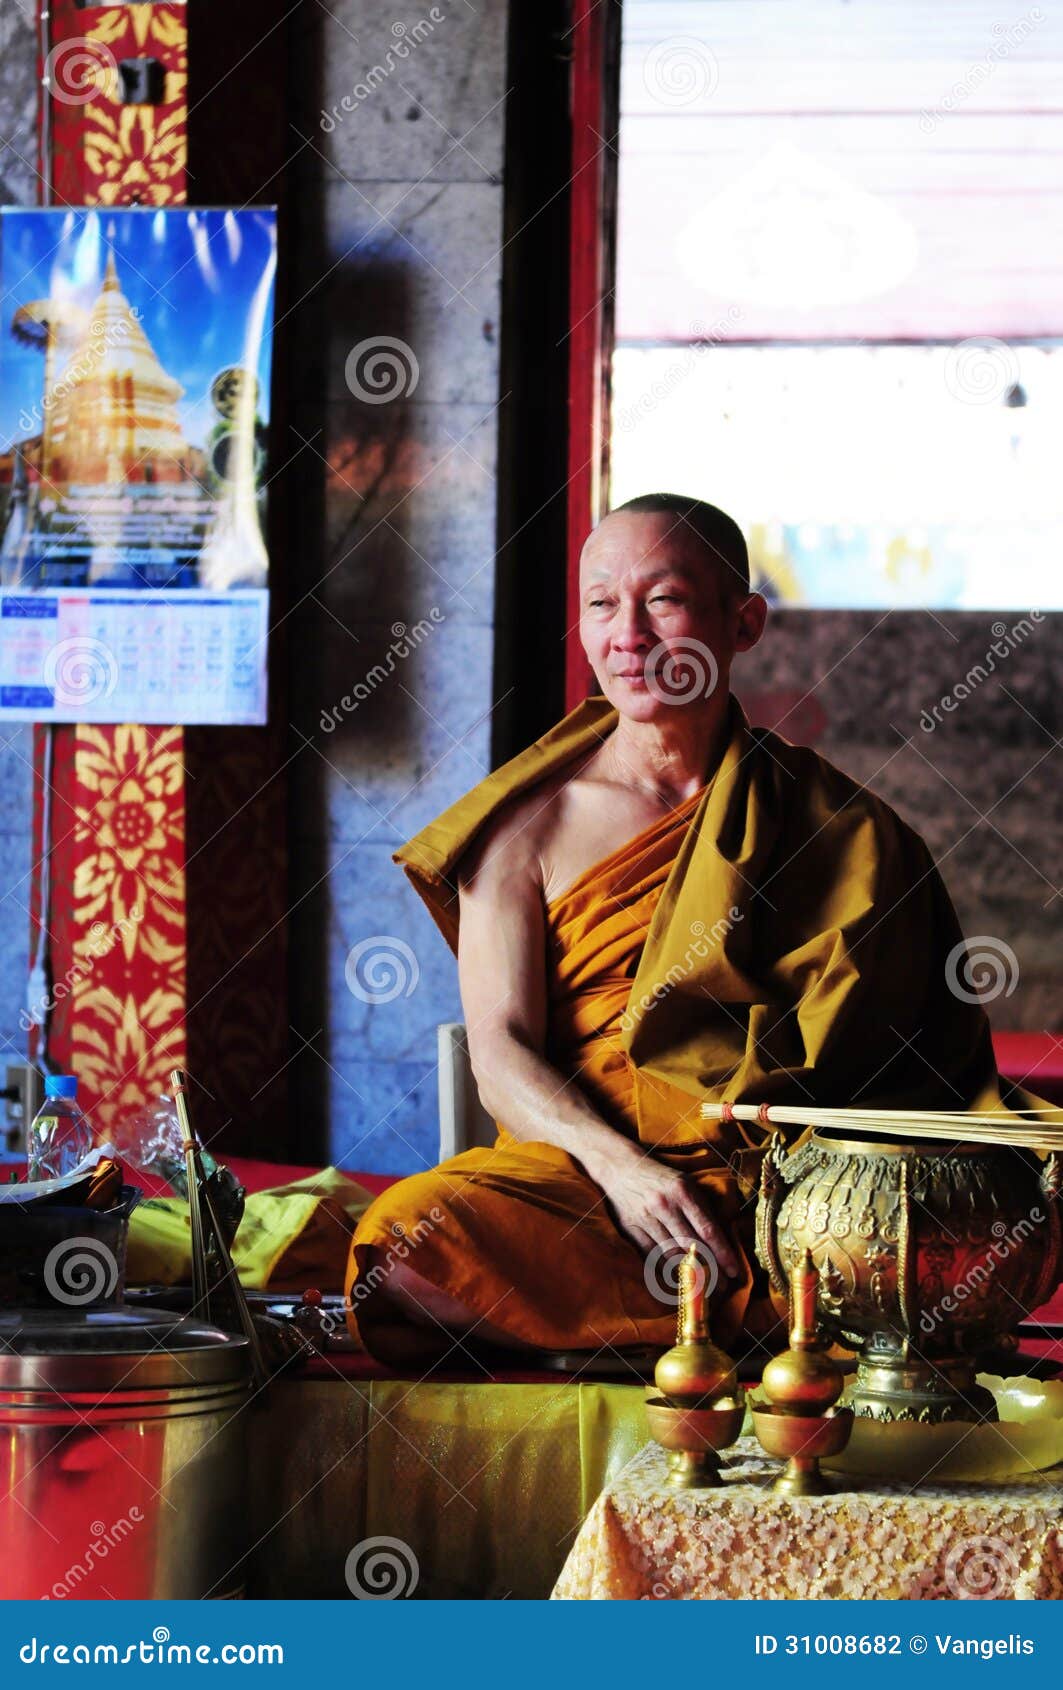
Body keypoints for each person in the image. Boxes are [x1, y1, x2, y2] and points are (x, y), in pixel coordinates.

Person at [344, 492, 1046, 1368]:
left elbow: (912, 1067)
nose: (627, 635)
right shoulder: (527, 830)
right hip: (587, 1182)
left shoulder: (841, 829)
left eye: (663, 600)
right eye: (601, 604)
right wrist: (625, 1171)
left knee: (969, 1231)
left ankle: (660, 1329)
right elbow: (500, 1054)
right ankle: (758, 1330)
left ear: (741, 622)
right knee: (408, 1245)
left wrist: (824, 1184)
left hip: (793, 1189)